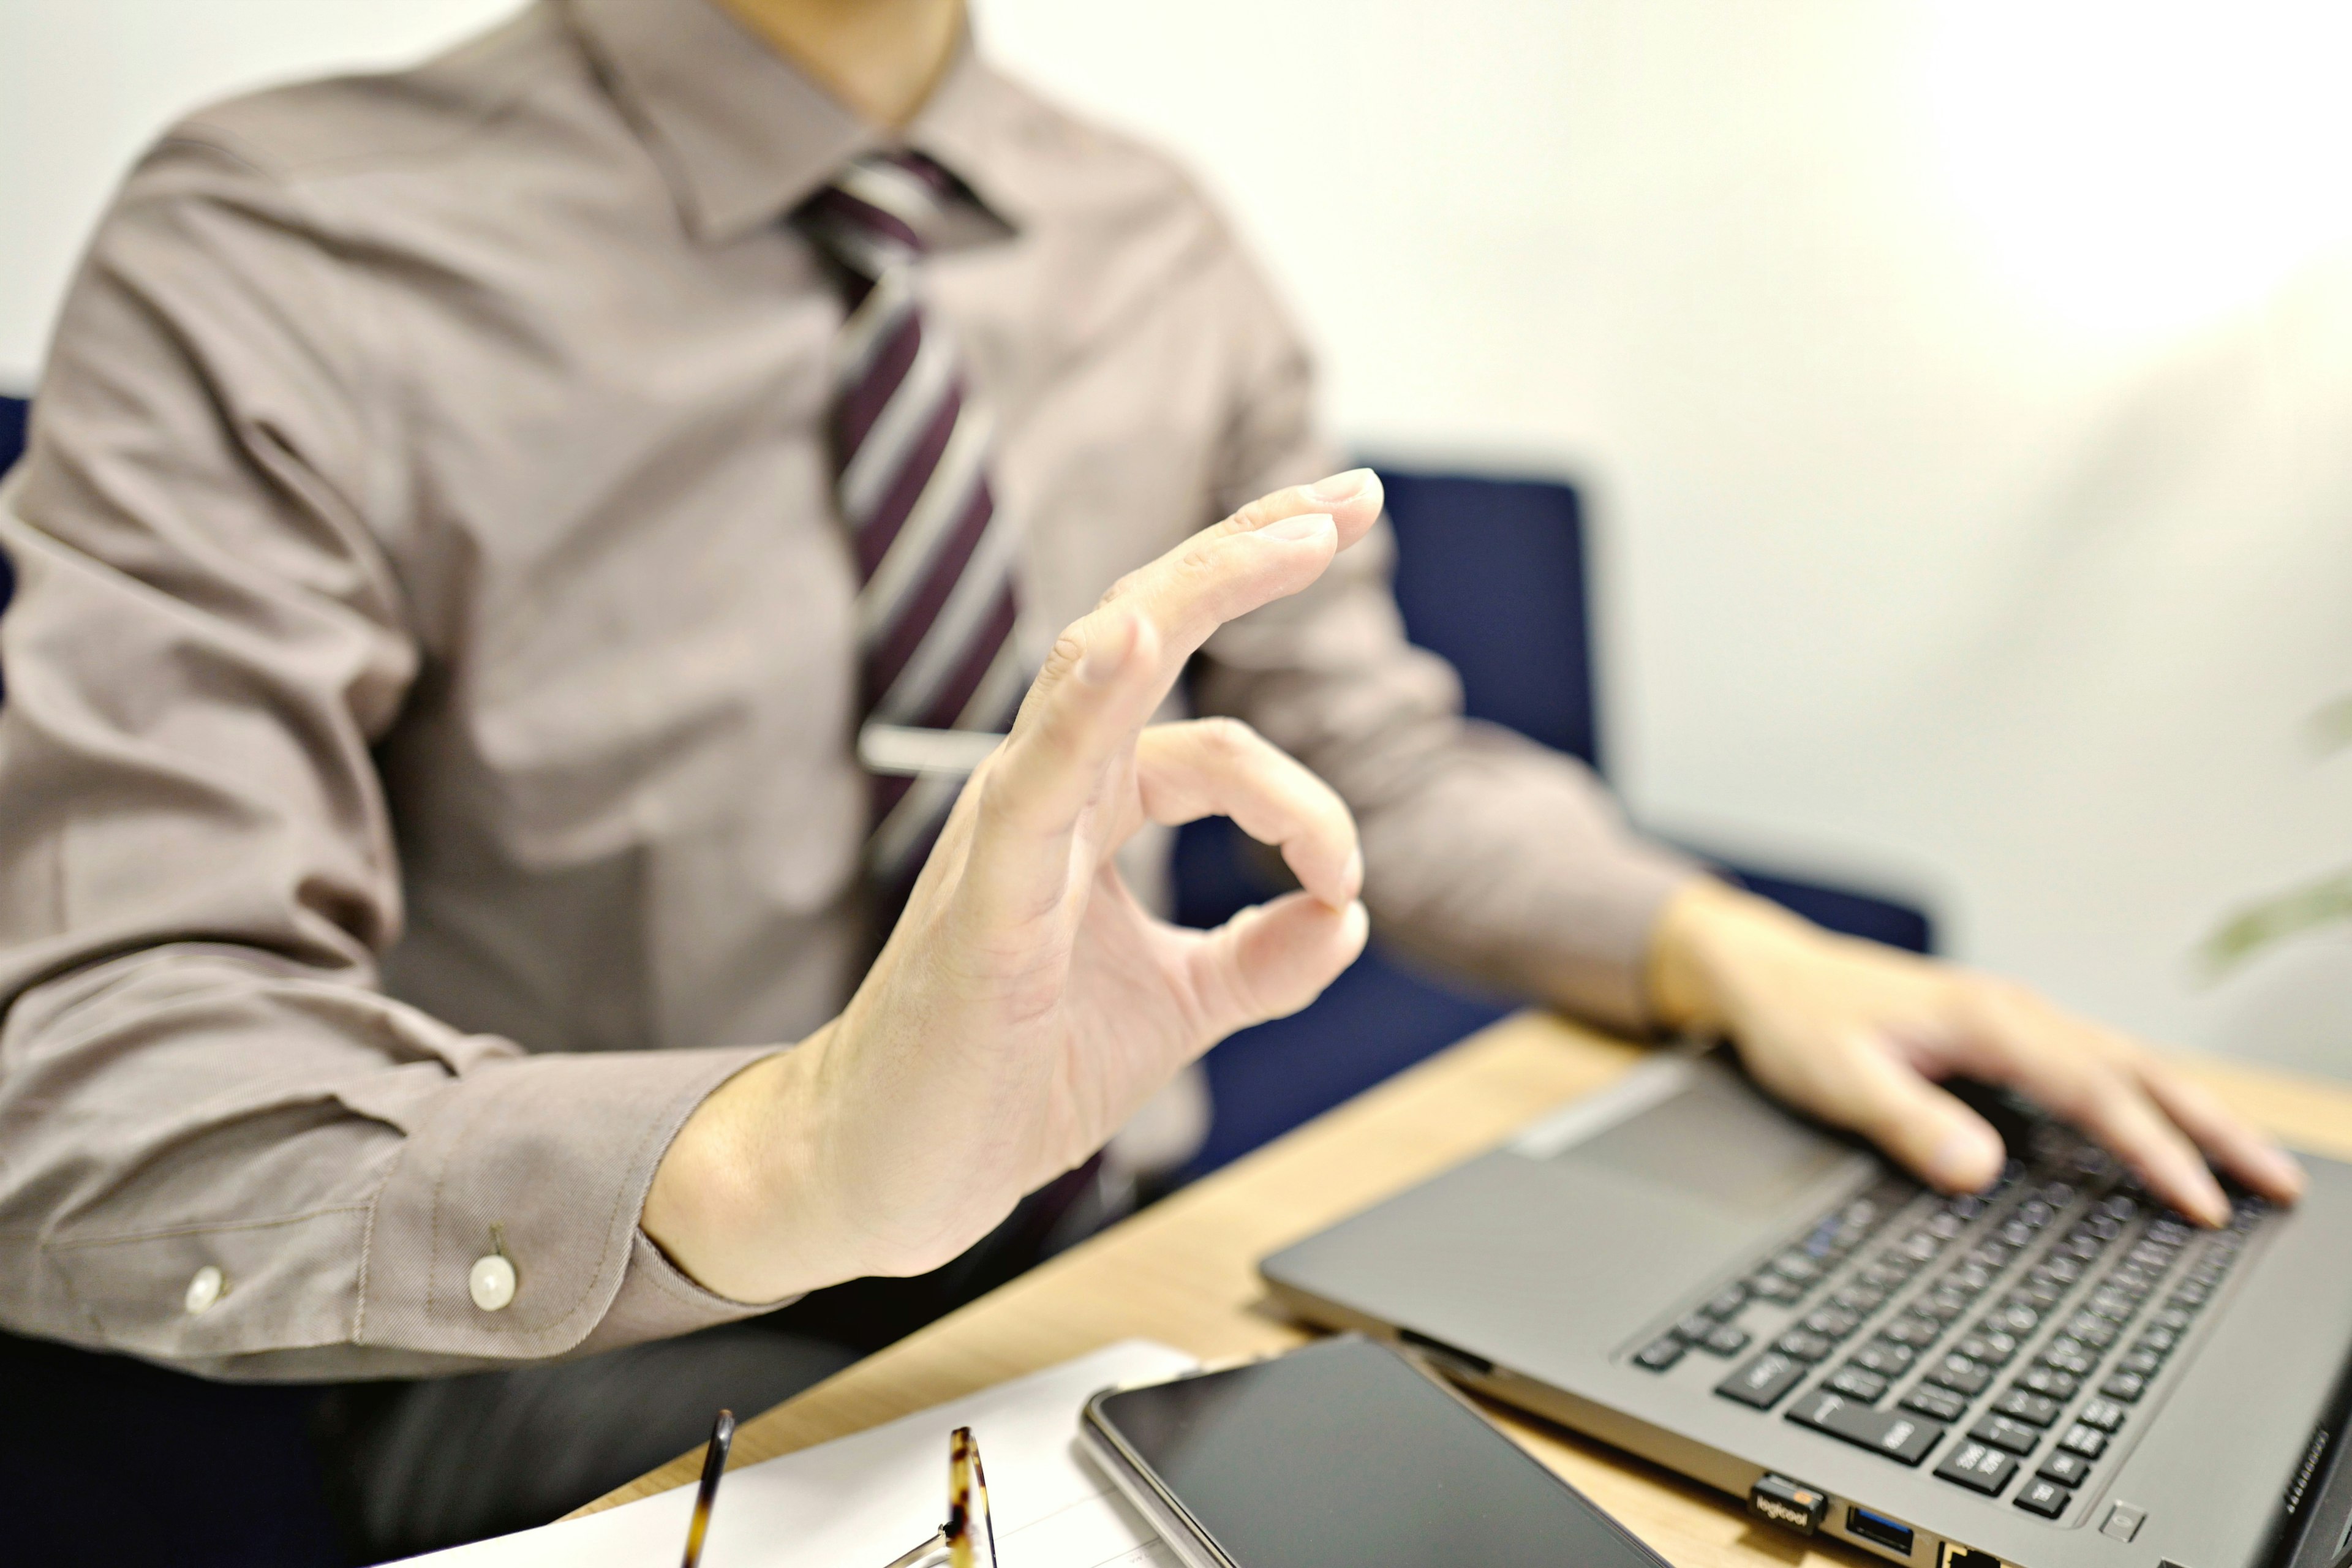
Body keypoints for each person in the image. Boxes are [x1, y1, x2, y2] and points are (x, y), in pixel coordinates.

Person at [0, 0, 2304, 1555]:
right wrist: (793, 1153)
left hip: (1141, 1269)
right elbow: (94, 1080)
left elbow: (1368, 750)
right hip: (605, 1337)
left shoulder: (1156, 243)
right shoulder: (273, 251)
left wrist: (1735, 948)